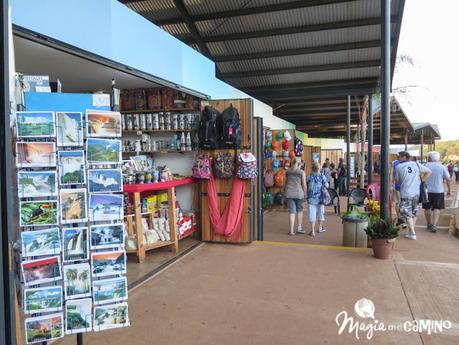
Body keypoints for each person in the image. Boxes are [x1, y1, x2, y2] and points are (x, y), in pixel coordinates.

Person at [395, 151, 432, 240]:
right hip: (416, 192)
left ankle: (412, 232)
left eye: (399, 156)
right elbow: (429, 171)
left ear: (404, 157)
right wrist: (422, 179)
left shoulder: (399, 166)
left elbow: (397, 179)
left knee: (407, 213)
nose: (398, 158)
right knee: (414, 212)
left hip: (406, 192)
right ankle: (411, 231)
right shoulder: (416, 164)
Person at [423, 151, 451, 232]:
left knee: (427, 208)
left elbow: (420, 177)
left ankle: (429, 224)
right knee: (437, 208)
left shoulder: (425, 165)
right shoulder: (442, 167)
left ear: (430, 158)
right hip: (439, 191)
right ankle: (434, 225)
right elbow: (448, 179)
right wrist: (449, 190)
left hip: (426, 190)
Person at [284, 157, 307, 236]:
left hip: (289, 193)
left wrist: (285, 192)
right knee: (299, 210)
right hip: (299, 193)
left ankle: (291, 231)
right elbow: (304, 185)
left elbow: (285, 183)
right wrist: (305, 194)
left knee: (292, 212)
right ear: (299, 163)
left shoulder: (287, 171)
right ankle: (299, 228)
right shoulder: (301, 172)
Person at [306, 162, 329, 237]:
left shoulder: (309, 176)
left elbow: (306, 184)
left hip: (311, 198)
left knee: (312, 214)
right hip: (320, 198)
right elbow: (327, 185)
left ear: (312, 168)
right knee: (320, 212)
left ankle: (312, 231)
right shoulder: (322, 176)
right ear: (319, 168)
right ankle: (319, 228)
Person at [390, 153, 402, 225]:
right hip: (405, 186)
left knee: (397, 202)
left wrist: (391, 185)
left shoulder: (394, 163)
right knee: (402, 203)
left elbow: (391, 174)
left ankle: (399, 218)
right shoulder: (409, 163)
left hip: (397, 186)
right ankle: (403, 219)